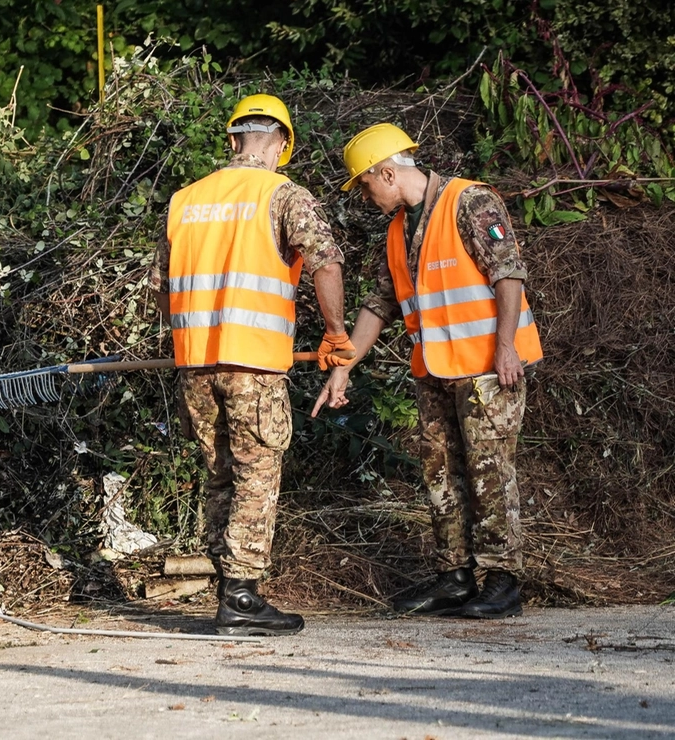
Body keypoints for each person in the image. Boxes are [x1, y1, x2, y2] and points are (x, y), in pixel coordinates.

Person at [312, 123, 542, 619]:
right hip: (434, 371)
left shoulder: (471, 202)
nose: (366, 196)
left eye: (366, 185)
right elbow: (380, 303)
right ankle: (455, 576)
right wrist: (344, 367)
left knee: (488, 471)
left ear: (388, 172)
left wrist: (506, 348)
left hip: (486, 366)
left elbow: (508, 272)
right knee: (440, 471)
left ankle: (502, 580)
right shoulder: (398, 229)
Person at [150, 94, 353, 636]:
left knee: (218, 476)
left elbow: (162, 288)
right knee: (256, 473)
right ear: (282, 144)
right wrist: (335, 334)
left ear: (232, 139)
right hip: (255, 365)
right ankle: (241, 596)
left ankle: (228, 587)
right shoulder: (283, 194)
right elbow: (326, 263)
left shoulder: (185, 200)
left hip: (195, 363)